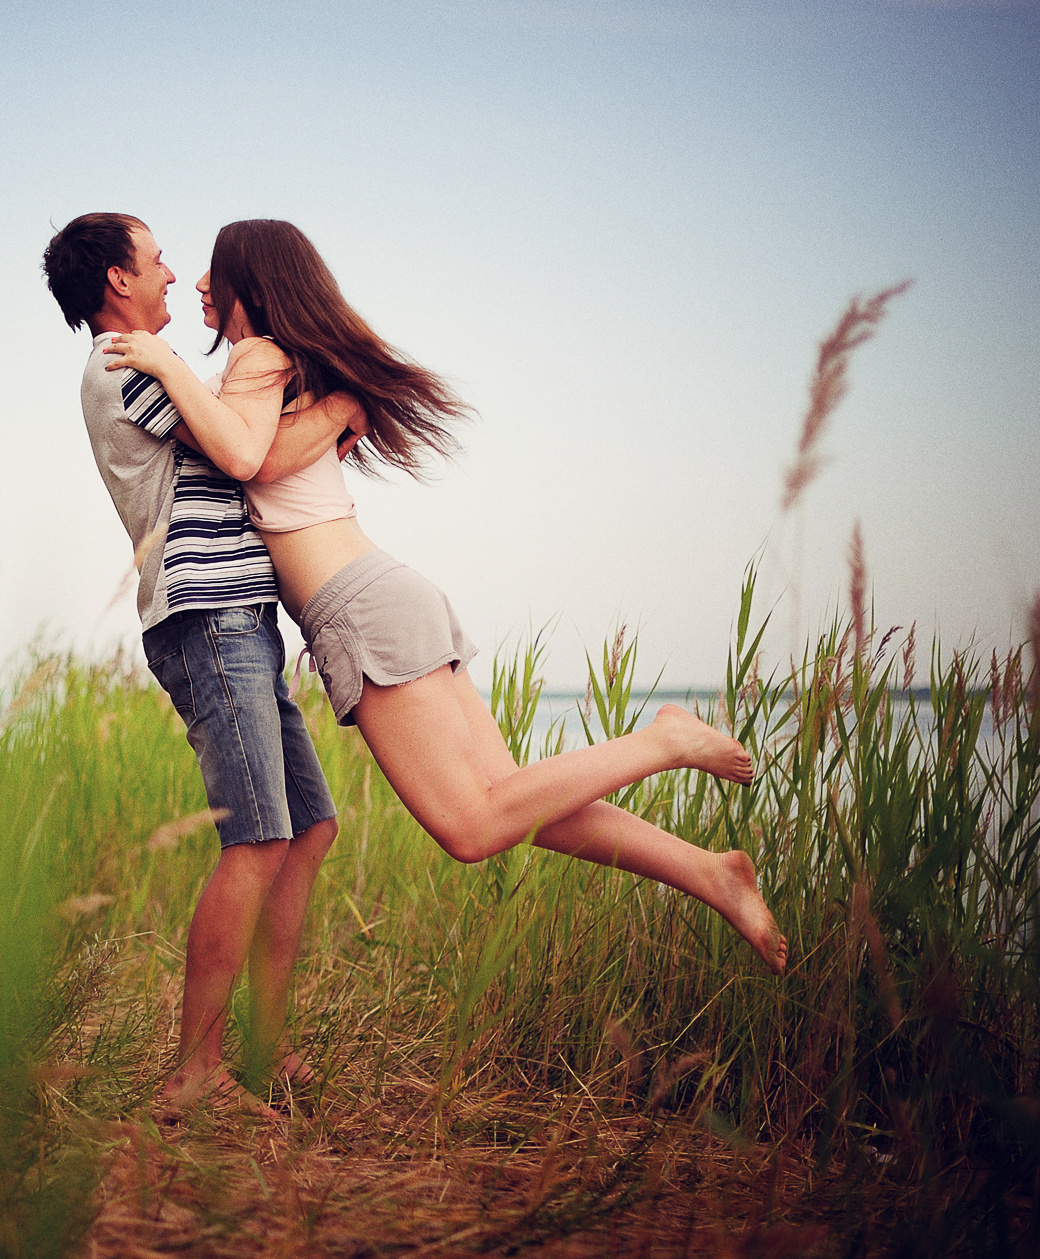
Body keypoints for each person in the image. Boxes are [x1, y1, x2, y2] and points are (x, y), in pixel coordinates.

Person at [105, 219, 788, 974]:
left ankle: (665, 742)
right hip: (384, 592)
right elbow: (258, 450)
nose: (197, 281)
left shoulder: (256, 357)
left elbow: (249, 459)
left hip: (359, 606)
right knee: (518, 801)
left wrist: (166, 361)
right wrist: (337, 405)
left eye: (213, 268)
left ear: (254, 283)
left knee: (471, 827)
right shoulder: (278, 373)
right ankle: (710, 872)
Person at [43, 213, 367, 1113]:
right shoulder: (125, 364)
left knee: (308, 826)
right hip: (208, 614)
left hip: (240, 616)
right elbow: (243, 453)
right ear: (117, 279)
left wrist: (320, 410)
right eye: (156, 259)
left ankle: (263, 1045)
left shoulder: (156, 365)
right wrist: (335, 408)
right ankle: (196, 1070)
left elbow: (244, 440)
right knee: (257, 837)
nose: (173, 274)